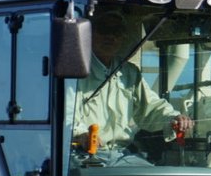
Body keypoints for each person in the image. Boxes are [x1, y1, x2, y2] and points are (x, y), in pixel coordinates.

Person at [72, 13, 193, 164]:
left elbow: (150, 108)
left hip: (121, 154)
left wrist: (173, 119)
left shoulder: (129, 72)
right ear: (89, 33)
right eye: (104, 30)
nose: (110, 36)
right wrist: (81, 134)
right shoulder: (75, 72)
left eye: (117, 32)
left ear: (123, 37)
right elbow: (66, 115)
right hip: (81, 154)